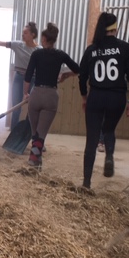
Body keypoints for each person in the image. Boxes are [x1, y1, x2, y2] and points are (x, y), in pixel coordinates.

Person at [78, 12, 129, 189]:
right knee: (109, 129)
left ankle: (86, 183)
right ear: (115, 28)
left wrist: (84, 97)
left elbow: (82, 76)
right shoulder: (125, 48)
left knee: (92, 139)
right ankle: (109, 156)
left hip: (96, 96)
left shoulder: (91, 50)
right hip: (117, 97)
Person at [23, 23, 80, 167]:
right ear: (54, 40)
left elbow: (28, 76)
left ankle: (35, 160)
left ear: (43, 39)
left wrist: (25, 93)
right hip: (51, 97)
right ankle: (35, 159)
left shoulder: (36, 54)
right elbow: (78, 69)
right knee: (41, 134)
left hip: (36, 95)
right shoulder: (61, 55)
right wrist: (66, 75)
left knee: (35, 133)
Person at [0, 22, 39, 130]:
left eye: (25, 33)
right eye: (22, 33)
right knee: (16, 106)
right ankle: (13, 130)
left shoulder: (39, 50)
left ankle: (29, 131)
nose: (22, 35)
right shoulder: (17, 45)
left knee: (32, 107)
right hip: (19, 78)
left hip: (33, 79)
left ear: (33, 35)